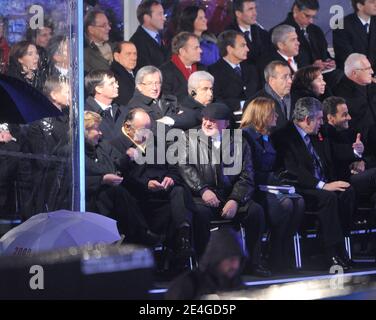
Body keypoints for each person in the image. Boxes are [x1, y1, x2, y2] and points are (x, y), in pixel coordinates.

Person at [178, 102, 270, 277]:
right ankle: (204, 266)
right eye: (205, 119)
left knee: (256, 211)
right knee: (199, 214)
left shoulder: (239, 142)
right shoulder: (188, 137)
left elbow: (246, 176)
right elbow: (184, 166)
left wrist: (235, 199)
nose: (207, 123)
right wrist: (203, 189)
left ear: (226, 123)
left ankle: (254, 262)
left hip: (230, 197)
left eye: (213, 120)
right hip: (201, 197)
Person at [271, 97, 354, 270]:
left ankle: (341, 246)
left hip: (324, 183)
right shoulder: (283, 136)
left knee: (348, 192)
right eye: (319, 119)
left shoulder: (319, 132)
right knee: (328, 198)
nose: (322, 123)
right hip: (302, 186)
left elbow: (336, 152)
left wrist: (355, 152)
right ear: (308, 120)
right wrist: (322, 185)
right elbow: (293, 170)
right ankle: (330, 252)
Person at [110, 108, 195, 264]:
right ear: (128, 127)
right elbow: (121, 176)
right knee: (174, 209)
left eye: (150, 128)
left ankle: (183, 239)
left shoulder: (155, 141)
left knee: (179, 191)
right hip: (138, 196)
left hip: (163, 191)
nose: (148, 133)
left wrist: (170, 177)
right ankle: (174, 250)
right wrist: (146, 184)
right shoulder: (116, 145)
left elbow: (174, 168)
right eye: (143, 129)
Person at [241, 97, 304, 271]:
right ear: (262, 115)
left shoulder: (268, 136)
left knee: (298, 201)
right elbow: (248, 170)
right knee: (284, 204)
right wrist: (272, 180)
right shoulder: (246, 136)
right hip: (252, 188)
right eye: (272, 112)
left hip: (269, 185)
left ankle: (281, 249)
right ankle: (273, 252)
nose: (276, 115)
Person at [83, 110, 163, 246]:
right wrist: (102, 180)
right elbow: (75, 181)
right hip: (91, 199)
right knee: (119, 192)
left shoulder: (102, 146)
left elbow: (117, 165)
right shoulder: (72, 152)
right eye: (96, 129)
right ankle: (142, 234)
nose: (101, 133)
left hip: (110, 196)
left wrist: (127, 157)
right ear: (85, 131)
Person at [322, 96, 376, 207]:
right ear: (331, 118)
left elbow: (370, 155)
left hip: (360, 176)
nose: (349, 118)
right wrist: (355, 152)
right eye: (344, 115)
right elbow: (335, 153)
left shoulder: (351, 132)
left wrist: (363, 162)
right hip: (343, 179)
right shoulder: (325, 134)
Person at [27, 76, 71, 214]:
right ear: (53, 95)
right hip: (46, 185)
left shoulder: (68, 119)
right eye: (67, 92)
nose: (71, 96)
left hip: (66, 181)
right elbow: (42, 160)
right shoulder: (39, 122)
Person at [165, 227, 245, 300]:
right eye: (231, 260)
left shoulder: (235, 283)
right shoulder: (186, 285)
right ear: (217, 257)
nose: (235, 265)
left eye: (238, 260)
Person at [332, 53, 376, 153]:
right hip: (363, 143)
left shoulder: (369, 85)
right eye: (367, 69)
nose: (372, 72)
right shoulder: (343, 95)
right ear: (354, 73)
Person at [273, 0, 336, 71]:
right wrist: (311, 67)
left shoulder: (316, 30)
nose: (311, 21)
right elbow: (278, 65)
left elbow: (324, 54)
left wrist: (328, 61)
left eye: (313, 17)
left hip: (324, 75)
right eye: (307, 16)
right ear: (296, 10)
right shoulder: (278, 32)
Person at [208, 30, 261, 112]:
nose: (247, 49)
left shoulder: (251, 68)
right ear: (230, 49)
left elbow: (259, 92)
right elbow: (215, 99)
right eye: (243, 46)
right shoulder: (213, 71)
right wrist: (242, 105)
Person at [126, 65, 180, 131]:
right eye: (149, 83)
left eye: (157, 83)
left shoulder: (169, 99)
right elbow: (150, 131)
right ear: (139, 86)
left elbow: (190, 116)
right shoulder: (135, 107)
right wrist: (175, 121)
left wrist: (169, 120)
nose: (154, 88)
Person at [246, 61, 293, 131]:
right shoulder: (255, 102)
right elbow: (250, 133)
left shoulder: (297, 97)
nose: (290, 81)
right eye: (285, 77)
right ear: (271, 80)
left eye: (290, 76)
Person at [160, 32, 204, 103]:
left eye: (199, 47)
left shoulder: (202, 69)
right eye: (196, 48)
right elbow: (168, 101)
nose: (201, 51)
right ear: (182, 51)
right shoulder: (165, 72)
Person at [225, 0, 272, 65]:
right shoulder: (228, 35)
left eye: (255, 8)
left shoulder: (263, 34)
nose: (255, 13)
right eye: (250, 9)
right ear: (238, 14)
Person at [84, 69, 127, 141]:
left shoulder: (122, 110)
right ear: (98, 89)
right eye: (111, 84)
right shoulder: (87, 114)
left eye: (116, 82)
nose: (117, 86)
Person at [333, 0, 376, 70]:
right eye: (372, 2)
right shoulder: (341, 24)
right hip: (353, 74)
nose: (375, 4)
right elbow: (346, 56)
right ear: (360, 6)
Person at [130, 0, 168, 69]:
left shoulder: (161, 37)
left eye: (163, 14)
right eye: (160, 14)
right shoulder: (137, 42)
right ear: (147, 18)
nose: (164, 18)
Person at [84, 9, 114, 73]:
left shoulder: (116, 46)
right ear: (91, 29)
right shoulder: (85, 55)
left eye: (108, 24)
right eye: (104, 25)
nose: (109, 28)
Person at [110, 41, 137, 106]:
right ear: (116, 56)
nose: (133, 58)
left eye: (135, 54)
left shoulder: (140, 73)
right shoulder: (112, 77)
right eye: (128, 54)